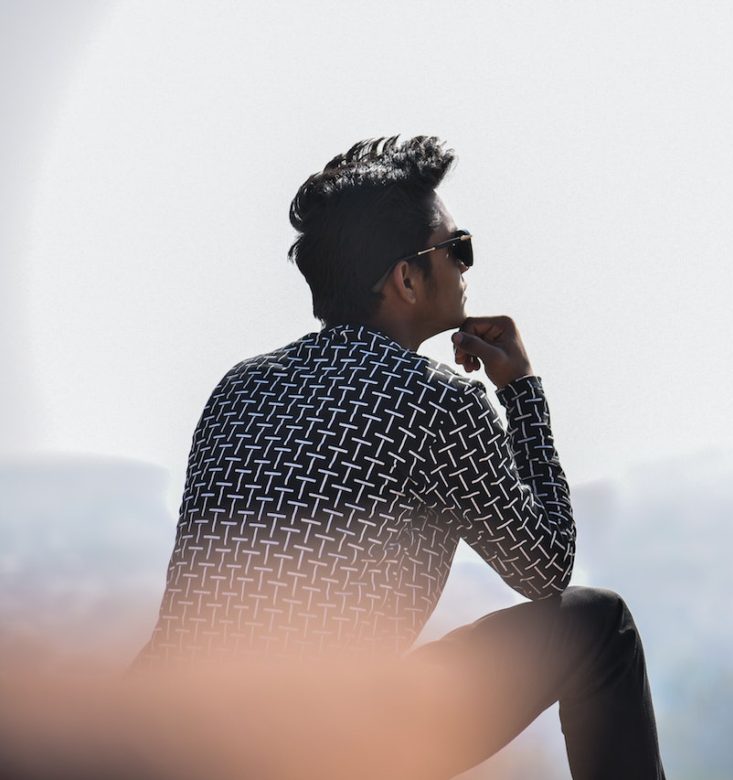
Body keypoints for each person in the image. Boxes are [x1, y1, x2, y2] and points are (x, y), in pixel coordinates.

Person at [130, 135, 668, 779]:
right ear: (407, 278)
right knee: (596, 626)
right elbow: (546, 569)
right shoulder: (438, 404)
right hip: (320, 746)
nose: (466, 267)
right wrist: (522, 393)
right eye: (456, 249)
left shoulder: (238, 386)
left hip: (163, 731)